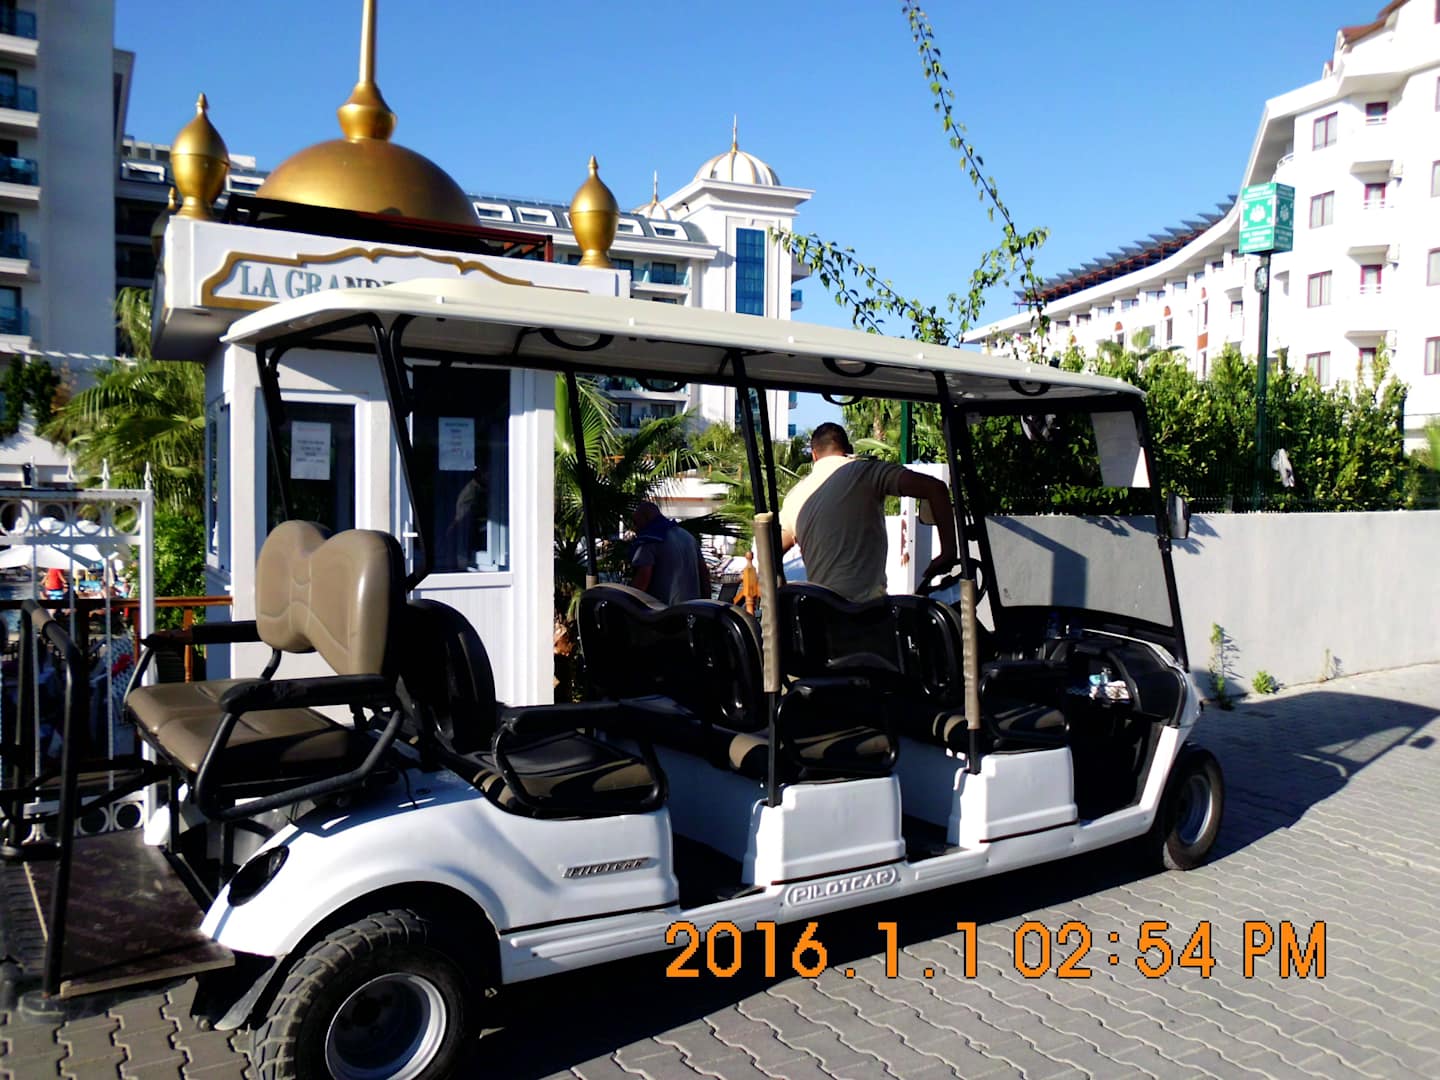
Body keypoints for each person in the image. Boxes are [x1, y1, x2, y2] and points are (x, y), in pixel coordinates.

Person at [779, 422, 958, 602]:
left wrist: (784, 599)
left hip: (822, 611)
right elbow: (935, 488)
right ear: (849, 449)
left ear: (814, 455)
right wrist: (948, 551)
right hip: (869, 611)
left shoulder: (795, 496)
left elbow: (771, 553)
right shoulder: (868, 471)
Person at [629, 501, 710, 605]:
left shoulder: (650, 540)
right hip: (691, 609)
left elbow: (642, 582)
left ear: (645, 518)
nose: (635, 528)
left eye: (635, 522)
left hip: (663, 611)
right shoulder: (688, 537)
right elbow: (704, 574)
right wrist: (707, 606)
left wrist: (626, 604)